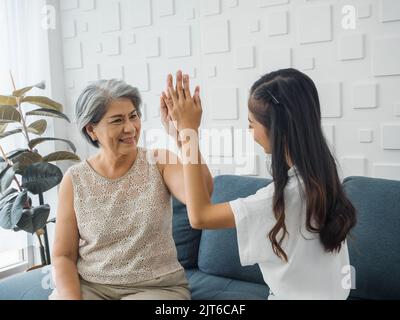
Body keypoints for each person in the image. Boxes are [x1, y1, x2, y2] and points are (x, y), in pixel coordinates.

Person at [161, 69, 357, 300]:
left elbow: (200, 216)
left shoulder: (281, 200)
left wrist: (188, 132)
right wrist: (181, 136)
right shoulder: (324, 181)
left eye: (252, 124)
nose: (250, 131)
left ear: (277, 130)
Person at [50, 79, 213, 300]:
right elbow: (63, 256)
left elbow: (202, 195)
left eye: (133, 116)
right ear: (91, 130)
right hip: (91, 287)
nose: (130, 128)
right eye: (117, 120)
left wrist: (183, 135)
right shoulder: (75, 180)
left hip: (157, 288)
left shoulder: (159, 161)